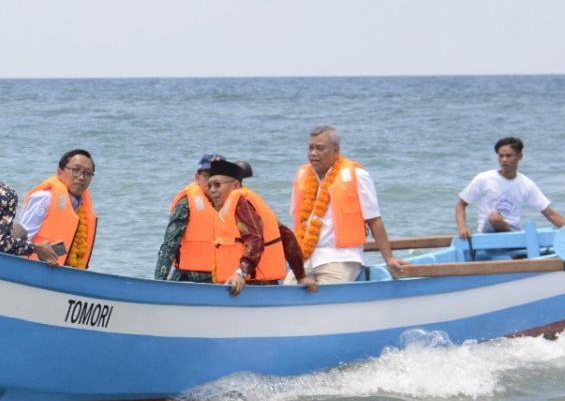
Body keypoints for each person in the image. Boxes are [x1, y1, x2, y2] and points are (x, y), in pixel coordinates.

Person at [289, 125, 408, 285]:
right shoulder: (302, 175)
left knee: (326, 294)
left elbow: (374, 221)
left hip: (341, 258)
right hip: (305, 259)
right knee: (287, 289)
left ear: (336, 151)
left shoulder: (357, 175)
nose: (313, 153)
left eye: (320, 148)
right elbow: (296, 221)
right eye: (310, 148)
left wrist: (389, 258)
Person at [205, 158, 305, 295]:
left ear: (235, 185)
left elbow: (255, 238)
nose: (212, 190)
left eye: (217, 185)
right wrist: (301, 276)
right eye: (209, 186)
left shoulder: (241, 203)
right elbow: (286, 236)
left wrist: (240, 273)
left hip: (253, 288)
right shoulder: (241, 204)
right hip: (247, 286)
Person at [456, 137, 565, 239]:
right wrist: (462, 228)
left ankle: (516, 242)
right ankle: (517, 244)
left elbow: (550, 214)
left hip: (513, 230)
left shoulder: (526, 184)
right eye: (501, 156)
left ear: (519, 157)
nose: (504, 160)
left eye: (508, 156)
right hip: (488, 232)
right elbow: (460, 205)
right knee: (494, 217)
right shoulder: (484, 178)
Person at [18, 149, 98, 268]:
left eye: (87, 173)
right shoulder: (45, 199)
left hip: (64, 274)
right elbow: (18, 240)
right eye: (75, 170)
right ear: (59, 172)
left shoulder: (83, 208)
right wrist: (38, 250)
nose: (81, 177)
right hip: (32, 269)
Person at [155, 154, 223, 283]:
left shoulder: (234, 205)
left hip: (223, 280)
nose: (212, 183)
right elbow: (169, 246)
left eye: (217, 177)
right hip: (189, 279)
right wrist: (159, 283)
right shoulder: (186, 204)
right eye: (208, 176)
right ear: (197, 177)